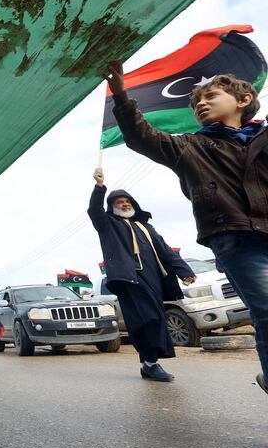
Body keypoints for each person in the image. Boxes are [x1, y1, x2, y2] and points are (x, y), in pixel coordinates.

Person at [106, 62, 268, 393]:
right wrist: (121, 95)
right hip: (237, 239)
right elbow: (140, 136)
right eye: (196, 104)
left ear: (244, 99)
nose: (201, 105)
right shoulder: (189, 147)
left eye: (211, 96)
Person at [88, 168, 196, 381]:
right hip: (129, 278)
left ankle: (148, 363)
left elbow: (165, 250)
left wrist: (184, 271)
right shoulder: (109, 225)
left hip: (153, 277)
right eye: (119, 202)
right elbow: (95, 212)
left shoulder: (146, 227)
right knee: (150, 317)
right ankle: (151, 363)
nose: (124, 204)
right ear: (112, 207)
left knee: (148, 319)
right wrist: (99, 187)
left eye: (127, 201)